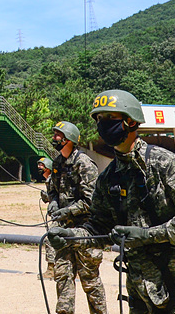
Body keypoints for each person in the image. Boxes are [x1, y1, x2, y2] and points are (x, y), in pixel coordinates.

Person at [47, 90, 175, 314]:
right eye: (99, 119)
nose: (102, 125)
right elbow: (99, 226)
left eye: (109, 118)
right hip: (140, 294)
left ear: (130, 121)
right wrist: (74, 236)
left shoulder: (165, 164)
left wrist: (148, 234)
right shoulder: (108, 177)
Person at [46, 121, 108, 314]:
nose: (55, 138)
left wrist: (67, 211)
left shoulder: (84, 163)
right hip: (63, 231)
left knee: (90, 280)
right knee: (63, 276)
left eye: (58, 134)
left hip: (84, 231)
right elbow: (53, 191)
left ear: (69, 139)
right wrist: (54, 202)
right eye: (55, 134)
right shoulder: (57, 163)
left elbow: (92, 201)